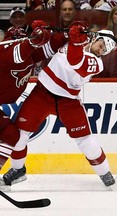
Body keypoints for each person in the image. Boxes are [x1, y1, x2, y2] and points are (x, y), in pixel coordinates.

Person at [0, 23, 117, 188]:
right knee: (20, 135)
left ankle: (105, 173)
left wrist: (75, 41)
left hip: (68, 102)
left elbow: (75, 61)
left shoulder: (96, 63)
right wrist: (52, 30)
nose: (101, 51)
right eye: (101, 45)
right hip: (41, 93)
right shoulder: (77, 41)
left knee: (85, 141)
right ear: (95, 38)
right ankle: (18, 170)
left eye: (105, 51)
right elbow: (52, 43)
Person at [0, 20, 67, 180]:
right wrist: (33, 41)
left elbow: (47, 49)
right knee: (11, 135)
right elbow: (17, 53)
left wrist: (65, 35)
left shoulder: (29, 53)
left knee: (12, 135)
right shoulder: (5, 53)